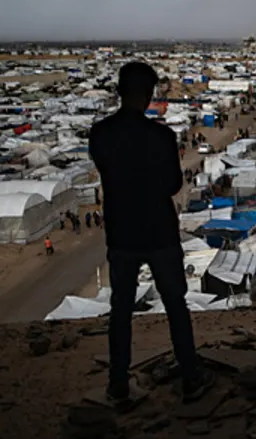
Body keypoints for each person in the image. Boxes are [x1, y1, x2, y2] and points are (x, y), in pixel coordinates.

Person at [90, 61, 213, 405]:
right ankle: (190, 378)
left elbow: (105, 172)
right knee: (175, 304)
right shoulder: (161, 136)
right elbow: (174, 183)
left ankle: (118, 385)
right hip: (159, 231)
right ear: (148, 95)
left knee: (121, 309)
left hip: (122, 233)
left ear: (119, 91)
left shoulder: (101, 134)